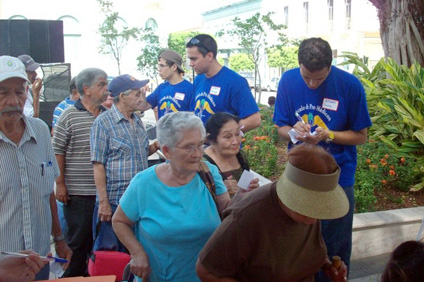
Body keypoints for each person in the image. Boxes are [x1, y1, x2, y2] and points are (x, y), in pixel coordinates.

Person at [112, 111, 258, 282]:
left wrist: (241, 197)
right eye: (189, 147)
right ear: (167, 151)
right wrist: (137, 253)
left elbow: (225, 209)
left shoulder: (208, 173)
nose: (197, 154)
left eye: (200, 145)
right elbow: (119, 221)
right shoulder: (143, 183)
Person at [273, 37, 372, 280]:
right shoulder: (288, 80)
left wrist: (329, 135)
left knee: (335, 243)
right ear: (299, 66)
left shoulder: (350, 85)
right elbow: (281, 128)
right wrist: (295, 132)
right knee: (298, 238)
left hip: (337, 177)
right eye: (307, 77)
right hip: (300, 173)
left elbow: (361, 136)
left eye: (319, 78)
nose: (312, 83)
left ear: (331, 66)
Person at [196, 143, 349, 282]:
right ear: (290, 194)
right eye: (306, 207)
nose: (313, 220)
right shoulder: (246, 217)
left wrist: (327, 265)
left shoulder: (310, 210)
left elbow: (305, 249)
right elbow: (206, 271)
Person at [0, 55, 72, 280]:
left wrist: (59, 239)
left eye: (20, 91)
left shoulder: (40, 131)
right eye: (3, 92)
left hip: (39, 260)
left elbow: (46, 191)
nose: (13, 100)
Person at [90, 74, 160, 252]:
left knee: (137, 254)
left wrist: (159, 144)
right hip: (115, 202)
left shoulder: (137, 120)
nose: (141, 98)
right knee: (113, 258)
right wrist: (104, 203)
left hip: (139, 201)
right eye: (137, 94)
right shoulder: (103, 123)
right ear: (122, 96)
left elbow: (142, 153)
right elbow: (98, 164)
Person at [53, 67, 109, 277]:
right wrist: (60, 184)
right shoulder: (68, 116)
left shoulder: (107, 116)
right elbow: (57, 151)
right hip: (78, 195)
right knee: (78, 246)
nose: (106, 89)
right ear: (86, 89)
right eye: (101, 84)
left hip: (104, 194)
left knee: (101, 247)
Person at [186, 34, 261, 132]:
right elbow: (194, 112)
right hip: (201, 146)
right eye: (189, 59)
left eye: (194, 59)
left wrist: (222, 134)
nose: (190, 64)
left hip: (226, 147)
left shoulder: (235, 82)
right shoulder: (198, 80)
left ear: (209, 56)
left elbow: (254, 120)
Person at [204, 112, 258, 195]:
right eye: (228, 137)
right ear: (211, 139)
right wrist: (220, 190)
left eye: (237, 134)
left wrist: (251, 189)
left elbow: (244, 192)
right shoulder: (202, 164)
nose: (235, 142)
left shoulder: (241, 156)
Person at [144, 49, 193, 119]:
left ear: (174, 67)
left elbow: (194, 119)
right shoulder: (161, 88)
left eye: (162, 66)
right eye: (158, 66)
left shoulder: (190, 89)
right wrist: (141, 91)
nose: (159, 69)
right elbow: (143, 106)